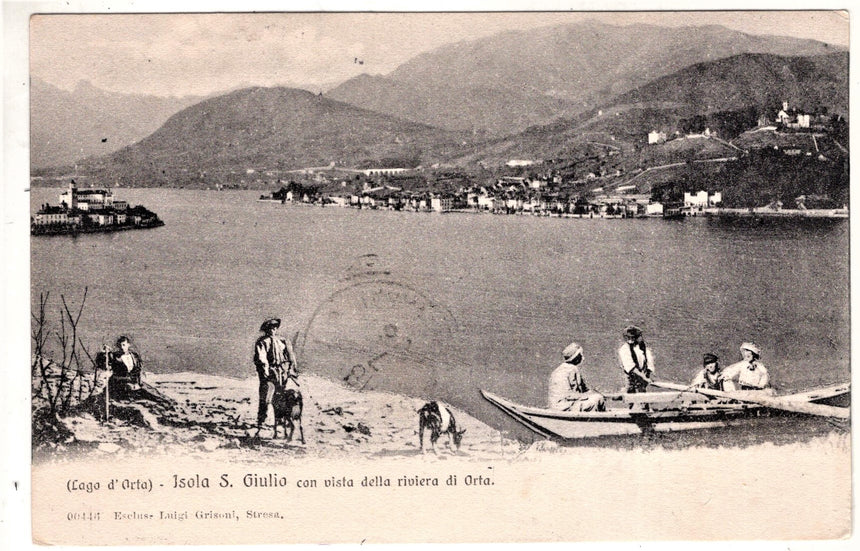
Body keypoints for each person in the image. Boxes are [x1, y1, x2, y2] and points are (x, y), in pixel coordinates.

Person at [99, 335, 173, 407]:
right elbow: (101, 363)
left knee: (151, 391)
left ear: (128, 345)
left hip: (133, 381)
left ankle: (166, 402)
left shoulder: (134, 356)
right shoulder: (114, 356)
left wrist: (138, 382)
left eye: (124, 345)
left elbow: (138, 369)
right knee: (140, 393)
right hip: (119, 383)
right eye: (119, 345)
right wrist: (103, 353)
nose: (122, 347)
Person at [253, 318, 298, 430]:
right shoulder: (262, 342)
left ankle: (280, 420)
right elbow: (261, 358)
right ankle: (261, 420)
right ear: (266, 329)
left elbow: (290, 356)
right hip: (269, 371)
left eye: (275, 328)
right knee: (265, 397)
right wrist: (265, 372)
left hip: (281, 372)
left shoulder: (282, 341)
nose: (273, 330)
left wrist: (291, 369)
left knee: (280, 397)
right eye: (270, 328)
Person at [548, 342, 605, 412]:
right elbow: (568, 395)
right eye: (581, 355)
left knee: (597, 397)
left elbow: (584, 389)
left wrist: (593, 393)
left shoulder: (564, 369)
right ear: (576, 357)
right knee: (596, 399)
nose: (583, 358)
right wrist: (588, 396)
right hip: (564, 406)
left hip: (562, 404)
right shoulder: (570, 369)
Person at [617, 325, 654, 393]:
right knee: (630, 395)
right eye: (629, 338)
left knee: (643, 397)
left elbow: (649, 363)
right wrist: (643, 377)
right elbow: (631, 367)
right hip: (631, 379)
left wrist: (647, 375)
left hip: (643, 378)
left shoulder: (644, 348)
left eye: (633, 338)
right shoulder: (624, 349)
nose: (631, 340)